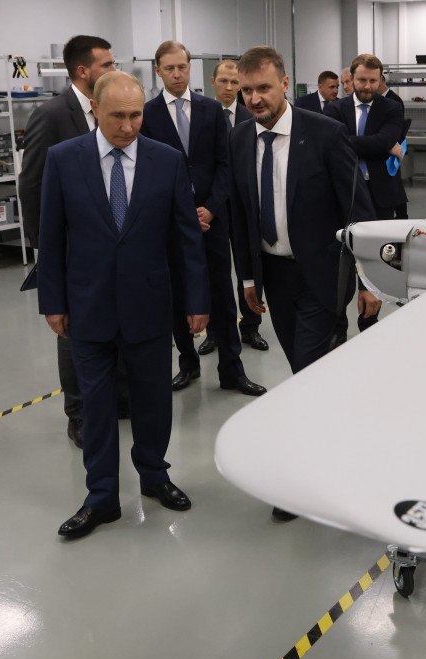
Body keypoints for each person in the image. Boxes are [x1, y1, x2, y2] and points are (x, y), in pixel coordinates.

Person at [37, 71, 210, 539]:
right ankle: (101, 498)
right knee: (96, 407)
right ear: (94, 110)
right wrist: (52, 301)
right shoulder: (64, 160)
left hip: (150, 306)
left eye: (136, 115)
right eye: (118, 116)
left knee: (153, 401)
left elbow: (186, 238)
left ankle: (155, 476)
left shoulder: (166, 161)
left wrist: (197, 299)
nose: (129, 126)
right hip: (86, 308)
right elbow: (50, 237)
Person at [231, 46, 380, 522]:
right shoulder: (238, 141)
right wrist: (249, 279)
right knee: (304, 365)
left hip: (323, 272)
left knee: (307, 373)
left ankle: (302, 479)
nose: (255, 99)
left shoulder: (326, 134)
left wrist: (369, 280)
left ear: (284, 83)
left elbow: (358, 210)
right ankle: (343, 442)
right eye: (247, 90)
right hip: (274, 275)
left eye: (263, 88)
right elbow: (241, 216)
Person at [141, 41, 265, 397]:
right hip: (171, 226)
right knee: (177, 296)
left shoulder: (212, 110)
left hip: (212, 219)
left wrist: (210, 207)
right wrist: (181, 215)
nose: (177, 74)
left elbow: (225, 165)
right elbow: (149, 174)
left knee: (222, 297)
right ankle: (188, 364)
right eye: (170, 68)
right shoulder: (148, 115)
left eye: (182, 66)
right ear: (158, 71)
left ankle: (232, 369)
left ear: (190, 67)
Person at [19, 35, 119, 449]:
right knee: (73, 333)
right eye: (107, 64)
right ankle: (78, 413)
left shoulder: (110, 111)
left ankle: (119, 399)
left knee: (114, 322)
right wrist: (48, 249)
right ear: (83, 71)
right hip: (71, 250)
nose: (114, 69)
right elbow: (32, 186)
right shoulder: (52, 115)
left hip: (113, 243)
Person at [202, 59, 268, 355]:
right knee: (214, 272)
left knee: (248, 265)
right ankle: (215, 331)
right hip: (214, 206)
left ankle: (251, 325)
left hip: (244, 203)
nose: (229, 88)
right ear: (213, 81)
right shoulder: (202, 115)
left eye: (234, 82)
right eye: (223, 81)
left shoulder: (251, 116)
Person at [326, 54, 406, 221]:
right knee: (346, 242)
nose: (368, 86)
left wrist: (383, 143)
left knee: (382, 243)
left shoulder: (392, 108)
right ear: (352, 79)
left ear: (380, 80)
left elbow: (384, 140)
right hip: (345, 188)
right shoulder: (335, 109)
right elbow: (332, 145)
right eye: (362, 80)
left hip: (382, 193)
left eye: (373, 81)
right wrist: (382, 145)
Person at [378, 72, 409, 220]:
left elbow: (395, 129)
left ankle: (402, 215)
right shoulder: (375, 100)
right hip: (384, 148)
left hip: (392, 148)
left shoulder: (394, 100)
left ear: (382, 80)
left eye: (373, 80)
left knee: (394, 184)